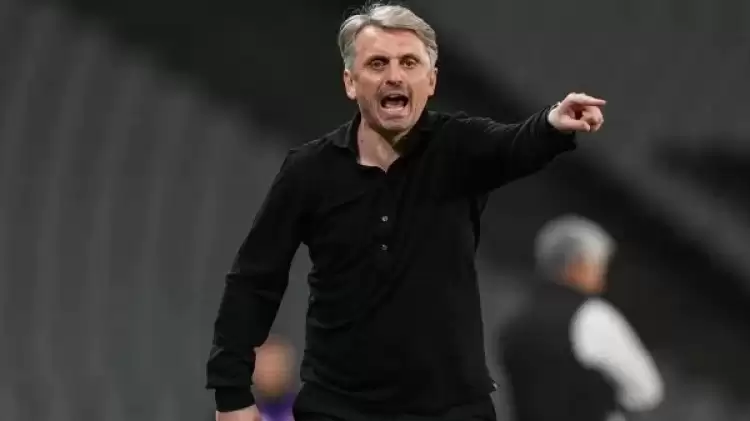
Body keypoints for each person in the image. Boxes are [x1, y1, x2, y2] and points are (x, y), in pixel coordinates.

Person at [206, 3, 605, 421]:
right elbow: (254, 279)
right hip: (338, 410)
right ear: (350, 82)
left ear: (430, 81)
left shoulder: (459, 147)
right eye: (377, 63)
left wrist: (553, 124)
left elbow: (514, 145)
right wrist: (231, 392)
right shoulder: (308, 171)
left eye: (409, 63)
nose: (394, 75)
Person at [499, 215, 664, 421]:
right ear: (578, 265)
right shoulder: (592, 316)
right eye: (598, 268)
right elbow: (647, 391)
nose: (602, 281)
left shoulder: (517, 324)